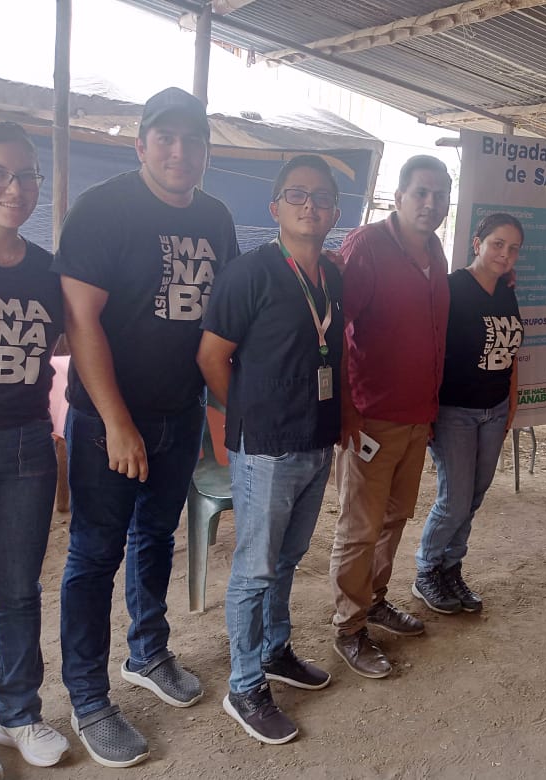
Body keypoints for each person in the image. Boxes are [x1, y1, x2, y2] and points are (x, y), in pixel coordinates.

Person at [54, 87, 239, 768]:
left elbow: (223, 321)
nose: (179, 151)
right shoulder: (103, 209)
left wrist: (222, 411)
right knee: (94, 554)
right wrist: (116, 422)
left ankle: (148, 652)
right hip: (108, 421)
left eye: (192, 140)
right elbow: (81, 321)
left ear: (205, 152)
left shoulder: (216, 217)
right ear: (140, 145)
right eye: (165, 138)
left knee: (156, 537)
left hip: (179, 414)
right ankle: (88, 697)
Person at [198, 155, 342, 744]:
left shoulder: (333, 274)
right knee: (254, 569)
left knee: (287, 559)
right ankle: (244, 684)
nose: (311, 205)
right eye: (298, 194)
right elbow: (211, 357)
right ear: (275, 206)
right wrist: (250, 414)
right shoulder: (249, 273)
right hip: (266, 447)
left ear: (335, 212)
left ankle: (275, 650)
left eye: (322, 197)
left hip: (316, 440)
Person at [0, 122, 69, 778]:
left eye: (26, 175)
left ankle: (18, 712)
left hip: (27, 444)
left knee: (18, 590)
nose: (14, 187)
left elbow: (73, 343)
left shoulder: (47, 271)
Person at [330, 155, 451, 678]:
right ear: (398, 197)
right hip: (371, 417)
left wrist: (430, 411)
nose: (431, 203)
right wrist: (346, 410)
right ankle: (348, 627)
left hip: (417, 416)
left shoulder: (435, 251)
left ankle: (375, 600)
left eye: (440, 195)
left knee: (395, 517)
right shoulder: (366, 246)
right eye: (421, 192)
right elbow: (339, 330)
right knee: (360, 527)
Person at [412, 213, 524, 614]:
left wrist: (512, 400)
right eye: (497, 244)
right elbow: (428, 350)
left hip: (494, 410)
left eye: (513, 249)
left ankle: (450, 567)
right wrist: (426, 408)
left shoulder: (506, 291)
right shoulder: (452, 288)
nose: (505, 254)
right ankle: (426, 570)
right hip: (454, 410)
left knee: (474, 496)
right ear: (477, 243)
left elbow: (511, 350)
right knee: (454, 501)